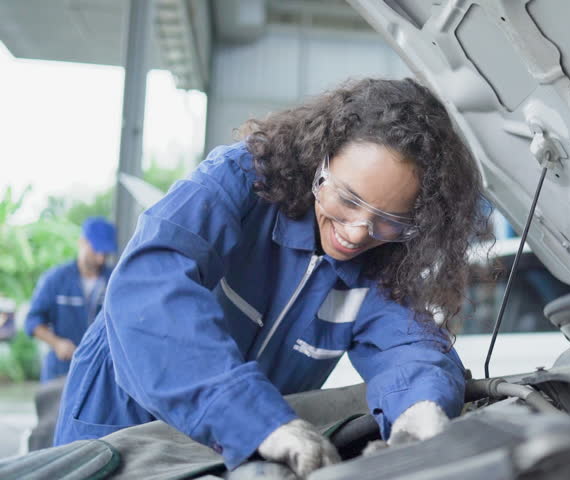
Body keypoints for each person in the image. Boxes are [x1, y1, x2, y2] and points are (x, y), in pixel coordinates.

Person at [54, 78, 489, 477]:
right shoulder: (239, 182)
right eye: (348, 198)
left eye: (390, 219)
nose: (358, 233)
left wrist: (423, 405)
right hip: (121, 423)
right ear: (320, 157)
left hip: (240, 444)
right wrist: (255, 419)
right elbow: (151, 292)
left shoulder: (381, 264)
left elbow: (408, 346)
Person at [25, 217, 116, 382]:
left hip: (101, 374)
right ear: (82, 242)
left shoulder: (115, 280)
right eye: (96, 251)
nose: (101, 258)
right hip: (61, 372)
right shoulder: (55, 280)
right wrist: (57, 343)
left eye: (106, 253)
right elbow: (33, 321)